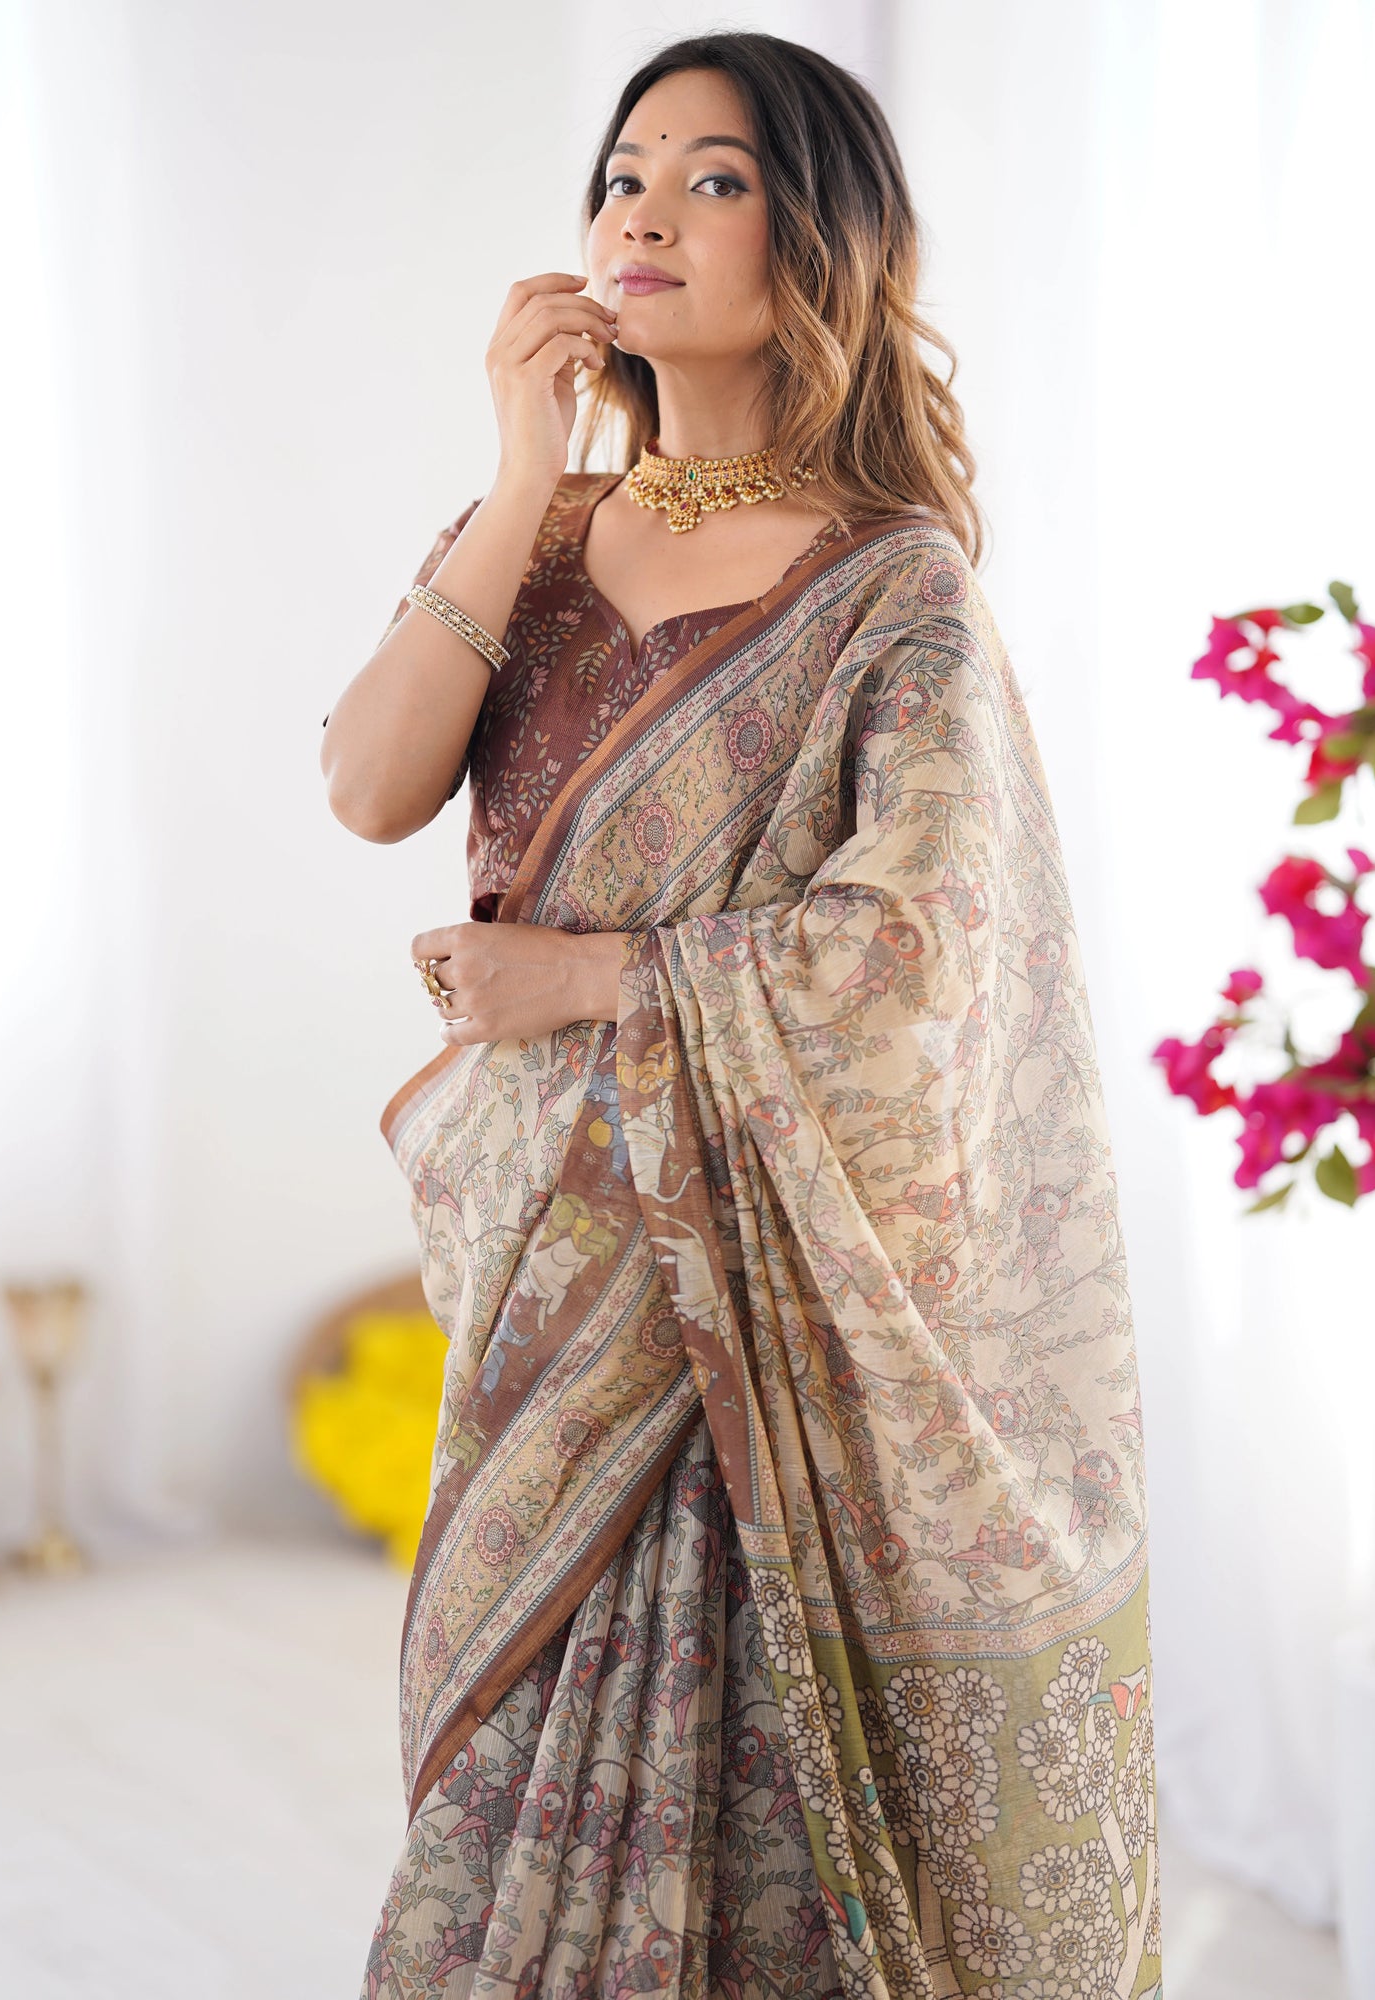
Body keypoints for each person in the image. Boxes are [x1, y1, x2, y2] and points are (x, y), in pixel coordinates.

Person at [322, 30, 1160, 2000]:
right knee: (499, 1768)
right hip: (552, 1286)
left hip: (774, 1303)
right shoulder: (520, 534)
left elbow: (926, 959)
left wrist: (601, 977)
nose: (639, 208)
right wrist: (530, 464)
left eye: (707, 175)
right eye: (620, 172)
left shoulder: (895, 593)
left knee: (762, 1806)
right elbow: (366, 786)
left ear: (819, 240)